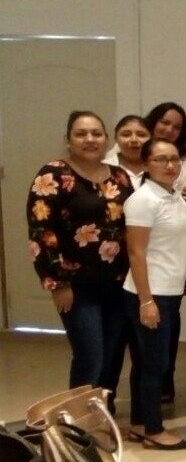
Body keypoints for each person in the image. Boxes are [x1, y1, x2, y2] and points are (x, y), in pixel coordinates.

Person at [27, 111, 134, 403]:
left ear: (106, 139)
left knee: (111, 357)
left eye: (96, 133)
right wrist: (57, 282)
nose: (90, 139)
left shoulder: (120, 176)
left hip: (117, 283)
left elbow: (131, 228)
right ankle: (75, 421)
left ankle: (101, 415)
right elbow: (42, 232)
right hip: (75, 286)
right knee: (90, 356)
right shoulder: (53, 174)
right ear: (68, 140)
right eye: (81, 134)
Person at [123, 139, 186, 450]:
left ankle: (139, 423)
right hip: (151, 292)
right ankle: (153, 430)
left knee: (146, 361)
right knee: (155, 364)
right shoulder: (143, 200)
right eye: (161, 159)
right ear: (146, 163)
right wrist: (147, 301)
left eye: (175, 159)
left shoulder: (172, 195)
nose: (170, 165)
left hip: (170, 290)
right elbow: (136, 253)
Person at [142, 101, 186, 403]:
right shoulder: (119, 165)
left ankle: (162, 389)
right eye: (164, 122)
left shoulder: (183, 169)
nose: (169, 129)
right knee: (140, 342)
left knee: (166, 334)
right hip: (139, 271)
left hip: (171, 270)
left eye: (177, 127)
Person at [104, 115, 150, 188]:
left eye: (141, 135)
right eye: (126, 135)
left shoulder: (159, 168)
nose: (134, 140)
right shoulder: (104, 168)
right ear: (116, 138)